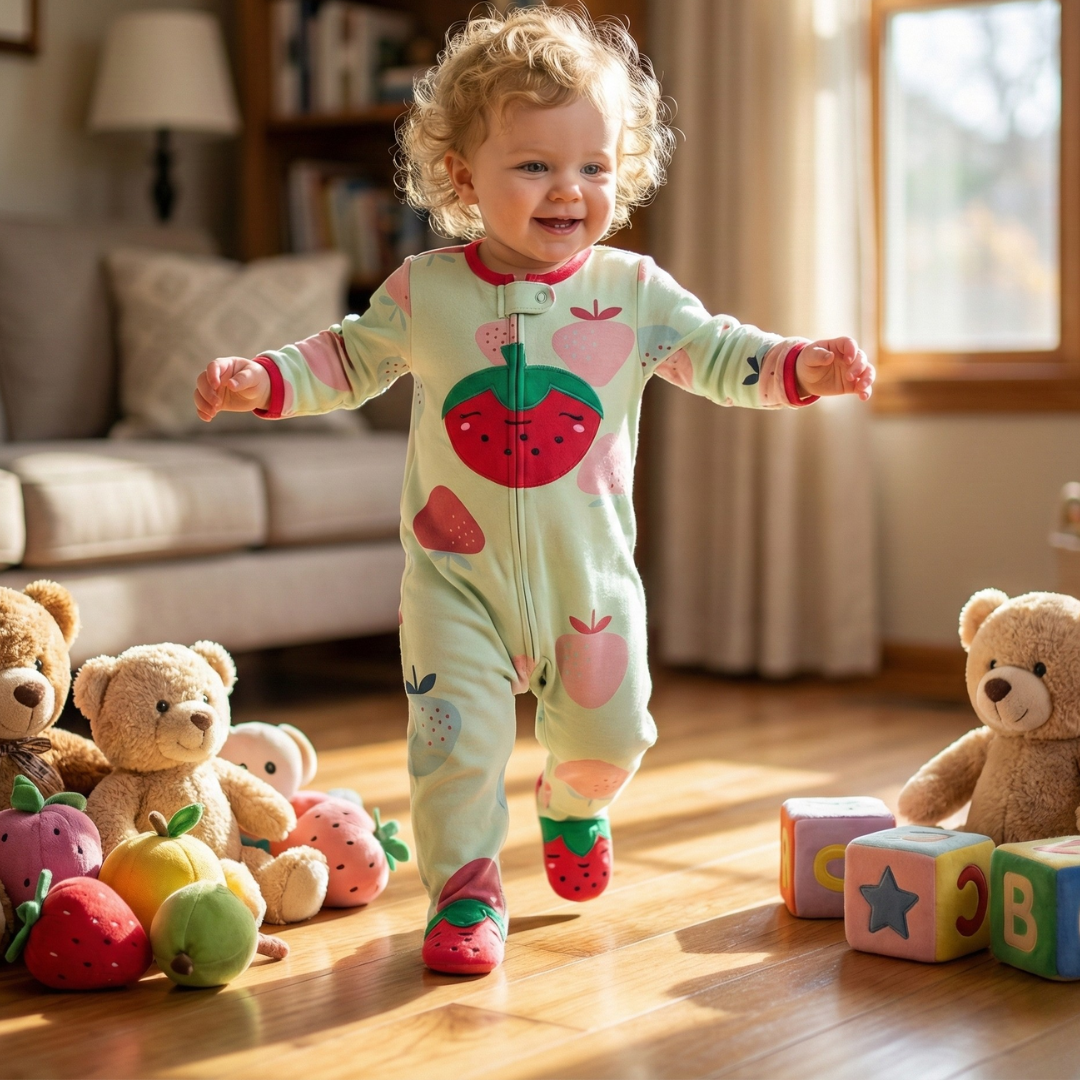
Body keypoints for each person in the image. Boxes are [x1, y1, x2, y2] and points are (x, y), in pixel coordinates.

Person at [194, 4, 875, 976]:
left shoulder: (633, 292)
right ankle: (465, 891)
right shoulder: (426, 292)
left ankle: (575, 802)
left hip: (586, 584)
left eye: (594, 167)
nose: (570, 190)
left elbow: (719, 353)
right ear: (464, 176)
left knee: (614, 731)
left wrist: (800, 367)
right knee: (455, 751)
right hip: (453, 583)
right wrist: (260, 380)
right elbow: (343, 358)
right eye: (535, 166)